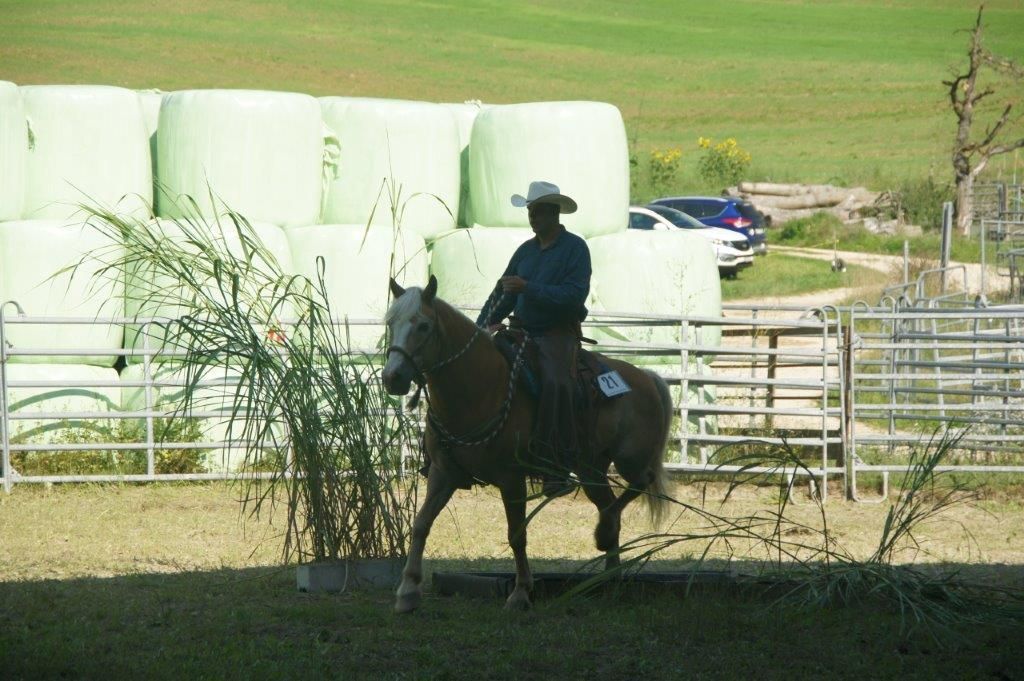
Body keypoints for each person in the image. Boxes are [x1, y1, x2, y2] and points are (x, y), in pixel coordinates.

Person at [476, 181, 592, 497]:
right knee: (483, 369)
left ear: (554, 212)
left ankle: (555, 466)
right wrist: (482, 327)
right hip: (521, 330)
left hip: (558, 334)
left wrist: (528, 288)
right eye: (530, 211)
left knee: (557, 382)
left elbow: (574, 296)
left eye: (538, 211)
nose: (532, 217)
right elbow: (502, 292)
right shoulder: (525, 251)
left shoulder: (575, 249)